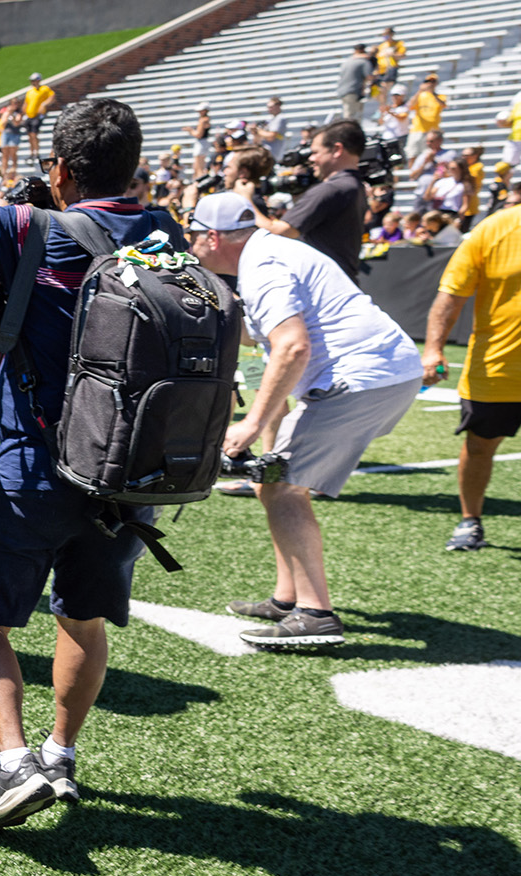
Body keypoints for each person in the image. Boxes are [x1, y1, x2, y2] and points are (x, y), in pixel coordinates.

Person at [0, 98, 186, 828]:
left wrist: (20, 209)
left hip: (38, 463)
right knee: (83, 618)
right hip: (133, 475)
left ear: (59, 170)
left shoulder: (37, 226)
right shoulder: (166, 232)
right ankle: (62, 754)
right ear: (135, 171)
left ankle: (14, 761)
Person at [189, 192, 422, 649]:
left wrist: (251, 425)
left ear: (213, 236)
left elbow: (293, 346)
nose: (191, 243)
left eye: (193, 234)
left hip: (363, 377)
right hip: (379, 373)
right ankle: (287, 597)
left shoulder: (263, 266)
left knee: (281, 484)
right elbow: (262, 338)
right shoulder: (269, 254)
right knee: (271, 482)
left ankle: (316, 614)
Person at [423, 194, 521, 551]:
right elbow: (450, 297)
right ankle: (470, 520)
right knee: (479, 445)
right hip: (498, 367)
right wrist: (433, 349)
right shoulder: (494, 228)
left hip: (497, 366)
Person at [242, 119, 367, 281]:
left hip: (324, 288)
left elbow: (279, 231)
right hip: (338, 281)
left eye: (315, 152)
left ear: (337, 150)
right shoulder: (355, 185)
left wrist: (245, 199)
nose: (311, 159)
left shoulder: (332, 189)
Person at [20, 71, 56, 164]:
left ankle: (37, 152)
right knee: (29, 135)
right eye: (32, 81)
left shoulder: (44, 89)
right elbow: (26, 103)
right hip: (29, 116)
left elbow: (52, 97)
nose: (33, 82)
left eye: (34, 80)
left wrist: (44, 104)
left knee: (34, 134)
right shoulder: (30, 91)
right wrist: (22, 113)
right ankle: (32, 152)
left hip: (37, 115)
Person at [335, 44, 372, 124]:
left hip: (342, 91)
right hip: (353, 91)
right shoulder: (363, 62)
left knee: (348, 114)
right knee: (351, 117)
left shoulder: (347, 62)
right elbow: (369, 76)